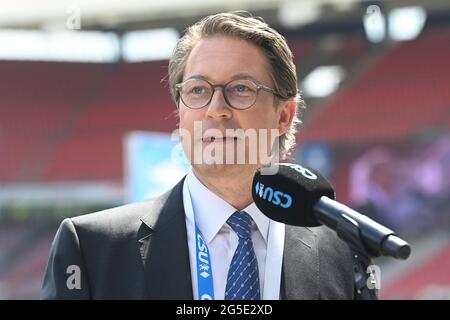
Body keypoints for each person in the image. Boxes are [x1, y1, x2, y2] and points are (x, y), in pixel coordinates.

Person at [42, 11, 357, 300]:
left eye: (241, 88)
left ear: (284, 116)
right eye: (197, 90)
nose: (216, 110)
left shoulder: (340, 251)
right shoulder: (92, 248)